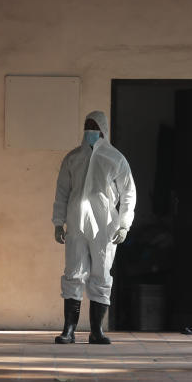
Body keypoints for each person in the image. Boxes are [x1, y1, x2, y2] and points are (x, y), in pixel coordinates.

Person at [51, 110, 136, 344]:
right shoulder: (73, 158)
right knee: (73, 274)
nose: (90, 130)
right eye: (87, 125)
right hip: (76, 225)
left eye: (94, 126)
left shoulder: (115, 159)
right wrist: (59, 222)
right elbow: (62, 192)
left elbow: (129, 194)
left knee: (100, 274)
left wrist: (124, 225)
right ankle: (69, 330)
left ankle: (96, 331)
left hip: (105, 226)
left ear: (103, 129)